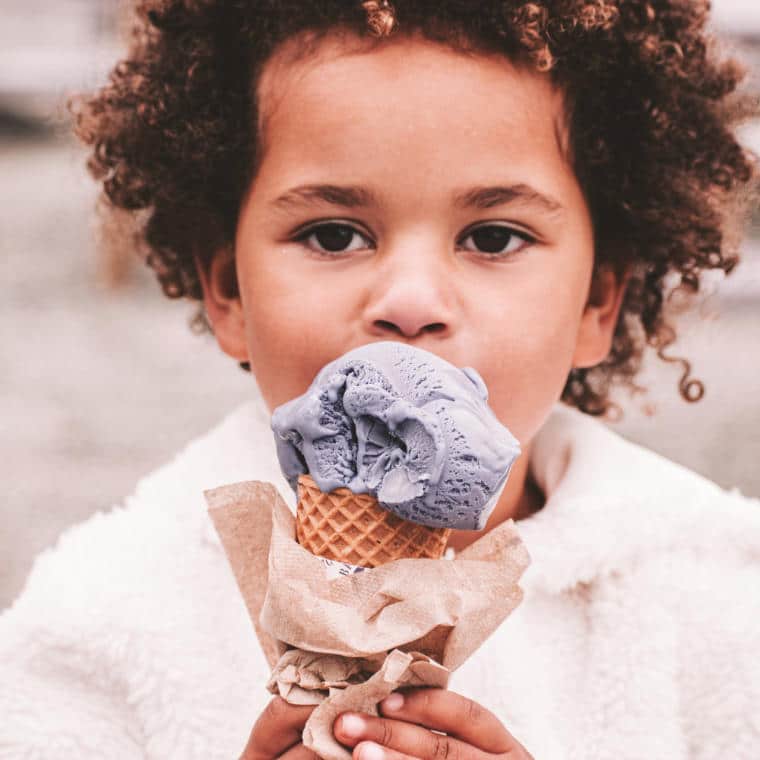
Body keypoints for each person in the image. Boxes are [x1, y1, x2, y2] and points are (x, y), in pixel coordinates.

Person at [2, 0, 760, 757]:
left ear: (599, 300)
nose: (409, 301)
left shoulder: (719, 596)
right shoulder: (102, 617)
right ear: (229, 289)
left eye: (492, 237)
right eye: (334, 235)